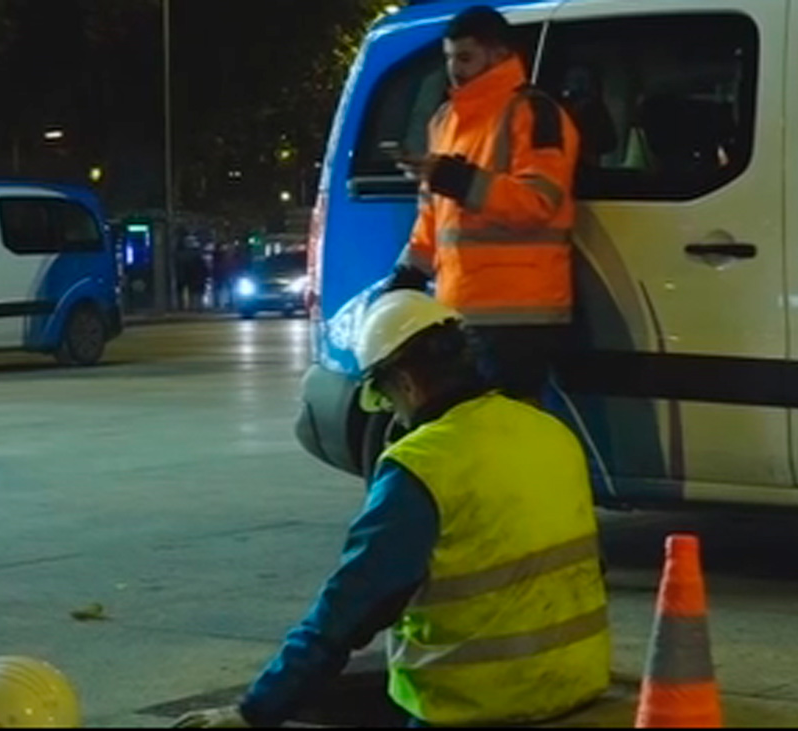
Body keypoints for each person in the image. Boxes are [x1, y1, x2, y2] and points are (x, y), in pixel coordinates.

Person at [175, 290, 610, 729]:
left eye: (382, 395)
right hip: (576, 683)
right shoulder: (550, 432)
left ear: (405, 382)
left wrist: (256, 711)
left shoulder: (423, 465)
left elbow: (349, 608)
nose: (391, 413)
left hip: (472, 704)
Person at [383, 5, 580, 406]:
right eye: (449, 57)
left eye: (466, 57)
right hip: (462, 309)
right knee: (481, 429)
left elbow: (538, 203)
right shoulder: (445, 120)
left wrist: (456, 179)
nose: (454, 68)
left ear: (500, 53)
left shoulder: (533, 113)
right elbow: (434, 217)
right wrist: (409, 273)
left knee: (504, 430)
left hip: (519, 314)